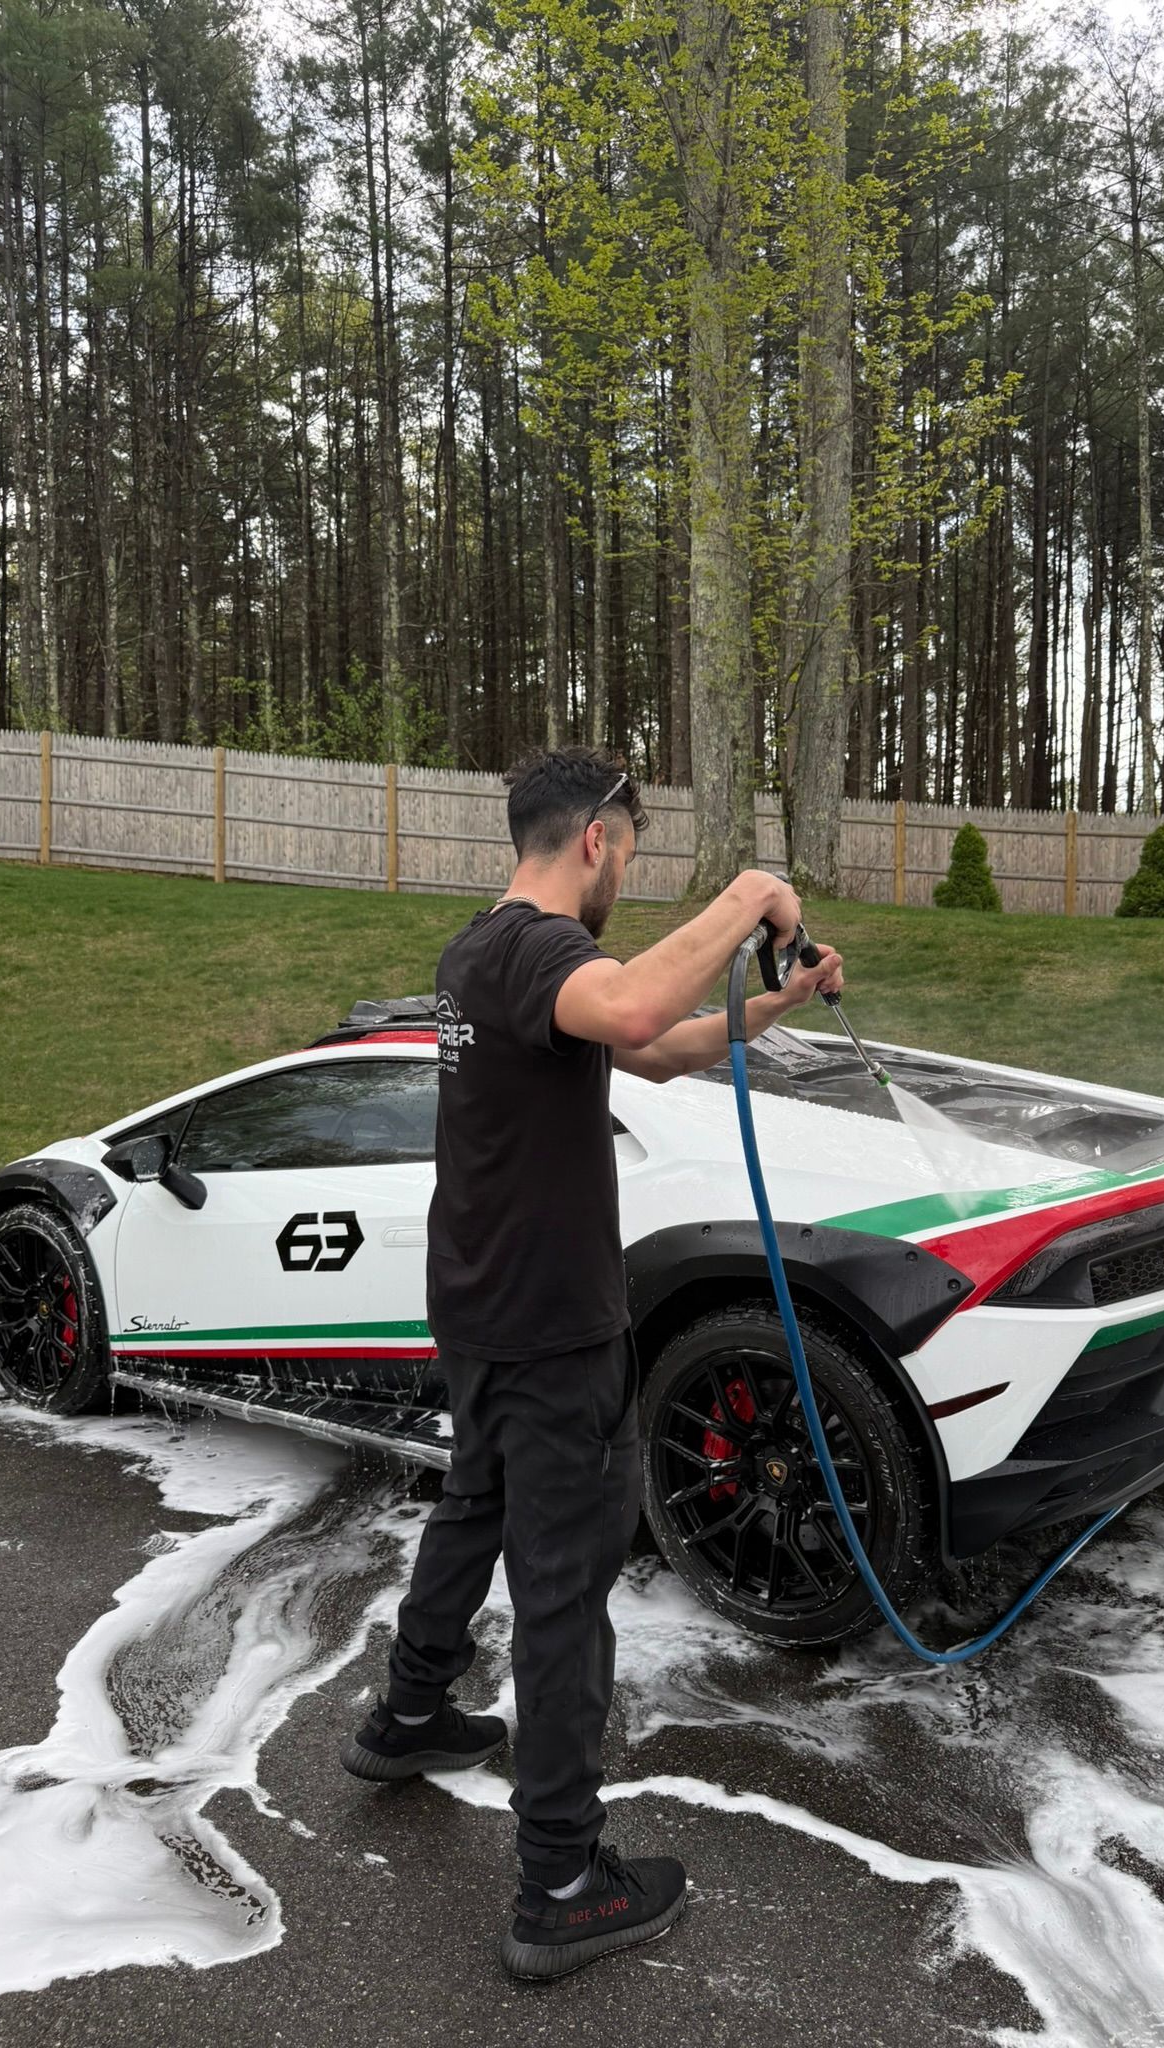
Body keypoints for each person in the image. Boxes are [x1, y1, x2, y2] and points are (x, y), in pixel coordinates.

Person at [338, 747, 844, 1980]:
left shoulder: (480, 953)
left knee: (477, 1503)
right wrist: (750, 892)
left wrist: (773, 1000)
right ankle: (562, 1878)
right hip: (554, 1325)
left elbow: (652, 1046)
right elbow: (623, 1003)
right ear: (597, 842)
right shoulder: (545, 955)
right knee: (562, 1591)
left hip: (481, 1308)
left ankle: (407, 1713)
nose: (632, 868)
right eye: (631, 843)